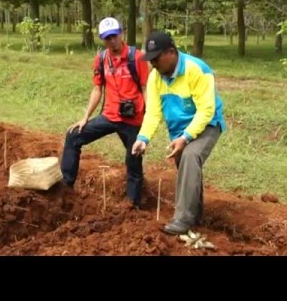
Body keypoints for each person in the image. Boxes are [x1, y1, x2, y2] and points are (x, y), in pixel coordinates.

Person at [131, 31, 226, 234]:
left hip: (208, 124)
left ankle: (183, 219)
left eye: (156, 59)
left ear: (171, 52)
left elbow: (206, 110)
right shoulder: (156, 77)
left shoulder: (197, 70)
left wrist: (186, 137)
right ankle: (195, 217)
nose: (153, 64)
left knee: (191, 156)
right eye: (150, 60)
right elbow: (153, 113)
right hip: (179, 131)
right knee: (186, 166)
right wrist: (143, 137)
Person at [60, 17, 150, 208]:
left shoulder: (138, 57)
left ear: (122, 33)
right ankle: (66, 187)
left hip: (133, 120)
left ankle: (133, 204)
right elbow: (97, 89)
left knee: (133, 159)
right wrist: (85, 117)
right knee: (73, 136)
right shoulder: (101, 58)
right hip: (109, 116)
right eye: (107, 38)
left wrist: (148, 122)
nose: (112, 41)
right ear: (103, 39)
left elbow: (145, 88)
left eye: (114, 36)